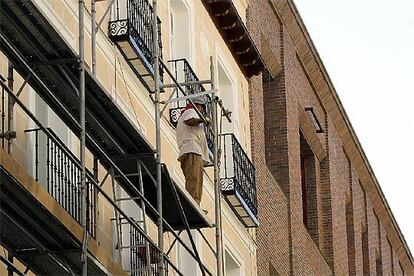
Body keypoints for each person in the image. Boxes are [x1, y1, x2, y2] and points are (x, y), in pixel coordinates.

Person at [176, 96, 210, 205]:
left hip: (190, 150)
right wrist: (202, 120)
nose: (202, 110)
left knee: (194, 179)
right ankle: (193, 202)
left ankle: (195, 202)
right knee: (194, 179)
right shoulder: (191, 111)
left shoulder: (186, 113)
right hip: (192, 149)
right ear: (198, 105)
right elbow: (189, 121)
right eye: (202, 108)